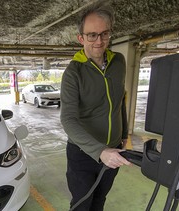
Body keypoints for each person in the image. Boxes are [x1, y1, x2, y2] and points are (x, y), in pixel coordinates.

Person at [60, 1, 131, 210]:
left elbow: (120, 100)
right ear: (81, 38)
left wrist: (124, 134)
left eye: (104, 34)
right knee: (82, 204)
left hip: (113, 151)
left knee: (100, 200)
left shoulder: (119, 61)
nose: (99, 41)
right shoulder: (74, 73)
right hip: (83, 153)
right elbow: (68, 120)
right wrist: (100, 151)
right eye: (92, 35)